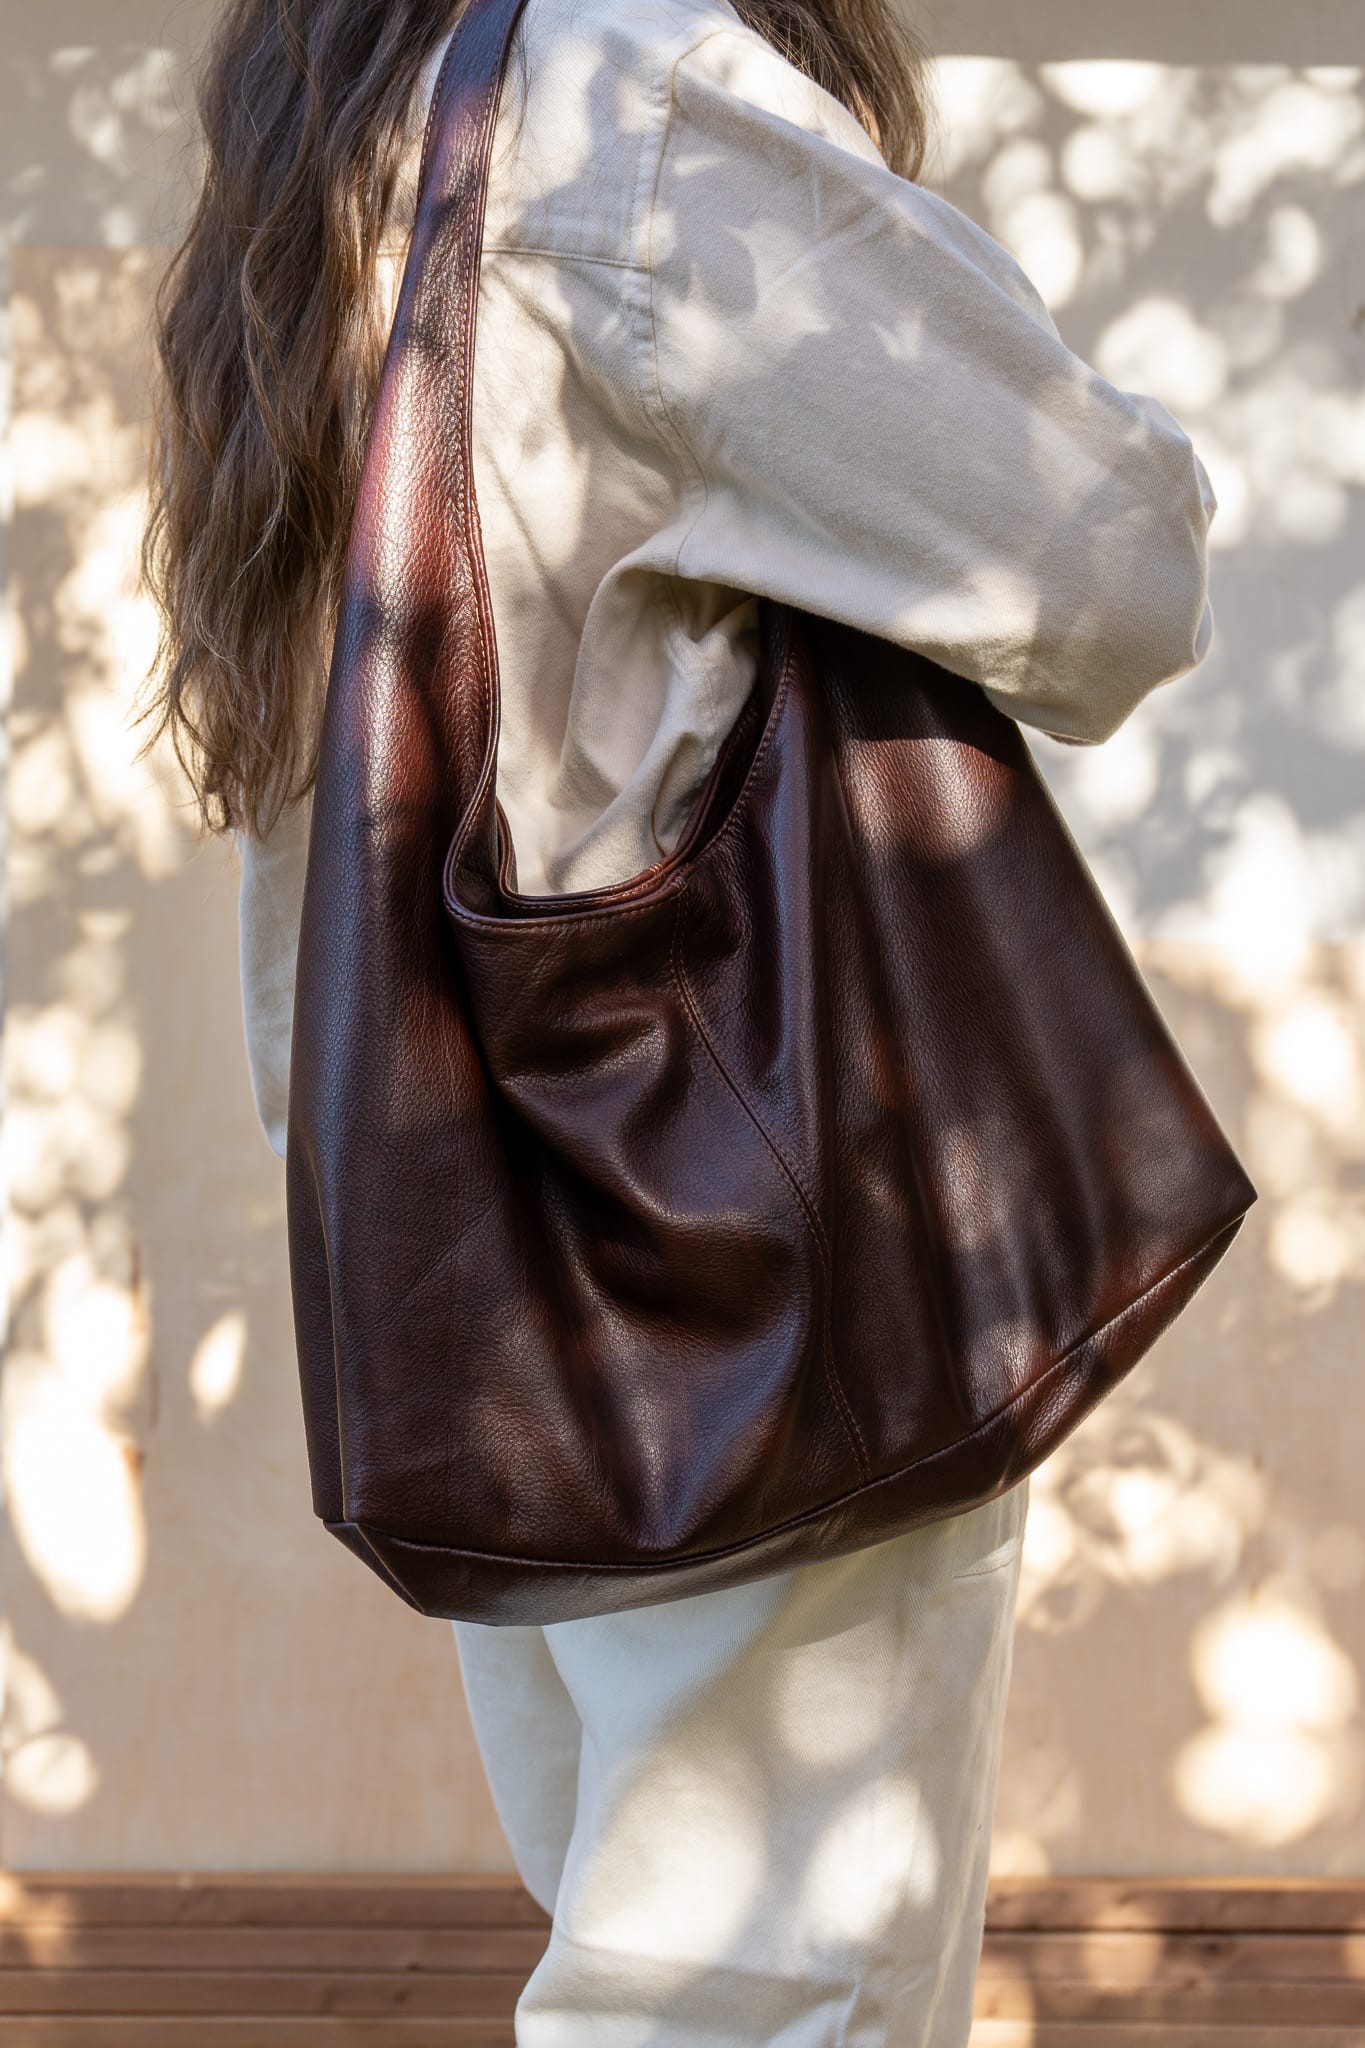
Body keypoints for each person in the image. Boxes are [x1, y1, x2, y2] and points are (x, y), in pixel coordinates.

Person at [141, 0, 1218, 2039]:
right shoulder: (631, 91)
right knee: (751, 2007)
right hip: (745, 1247)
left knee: (656, 1979)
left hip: (482, 1250)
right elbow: (1104, 566)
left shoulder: (341, 124)